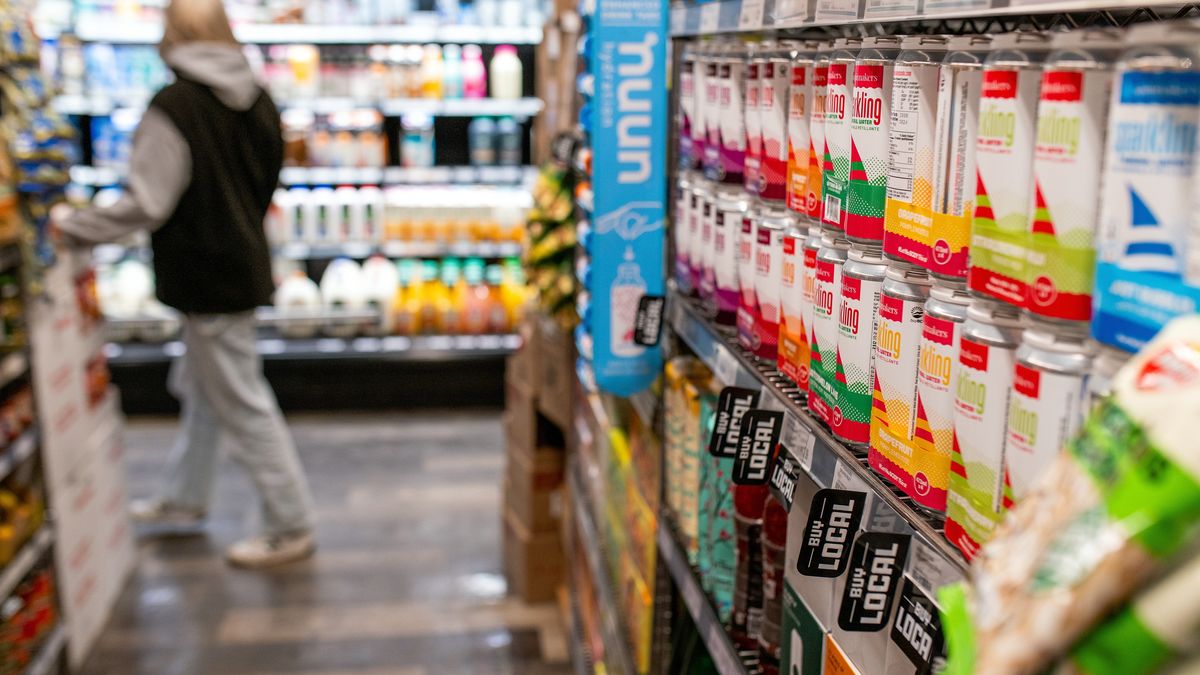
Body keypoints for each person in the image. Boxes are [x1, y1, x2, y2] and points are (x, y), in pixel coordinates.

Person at [53, 0, 316, 568]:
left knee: (242, 402)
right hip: (242, 262)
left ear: (172, 36)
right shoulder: (259, 97)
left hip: (203, 274)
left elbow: (149, 201)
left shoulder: (174, 106)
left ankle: (290, 523)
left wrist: (75, 227)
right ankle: (184, 497)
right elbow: (269, 175)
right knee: (204, 394)